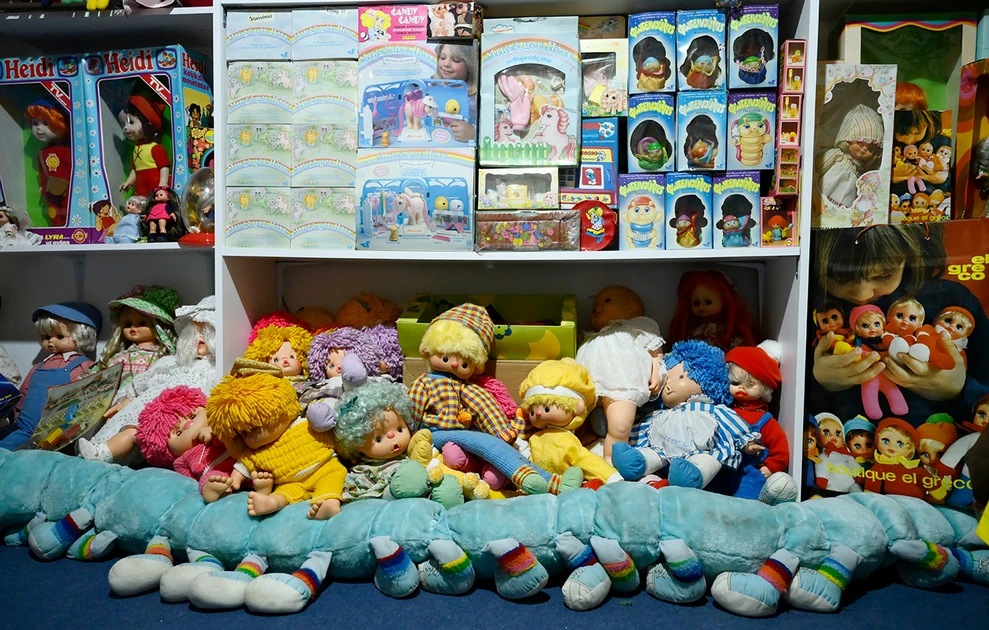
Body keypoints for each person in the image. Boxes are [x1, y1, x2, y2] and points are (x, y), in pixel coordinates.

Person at [809, 224, 989, 432]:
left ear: (910, 252)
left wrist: (959, 390)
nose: (863, 294)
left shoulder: (952, 300)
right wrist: (819, 383)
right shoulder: (809, 300)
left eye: (883, 275)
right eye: (840, 278)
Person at [433, 43, 477, 143]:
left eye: (456, 60)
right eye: (442, 57)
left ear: (469, 64)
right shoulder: (432, 86)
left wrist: (474, 134)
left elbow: (491, 128)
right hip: (437, 141)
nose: (446, 64)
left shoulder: (476, 94)